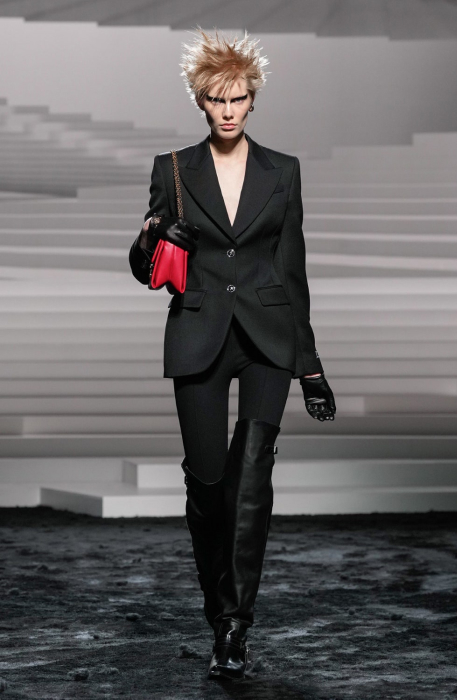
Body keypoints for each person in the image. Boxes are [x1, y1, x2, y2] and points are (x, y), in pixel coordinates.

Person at [129, 27, 336, 681]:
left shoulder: (283, 171)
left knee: (251, 479)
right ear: (200, 100)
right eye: (216, 99)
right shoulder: (172, 169)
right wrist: (155, 235)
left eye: (238, 98)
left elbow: (291, 270)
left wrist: (309, 364)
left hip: (268, 338)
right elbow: (145, 267)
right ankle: (217, 607)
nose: (227, 110)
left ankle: (235, 626)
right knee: (208, 485)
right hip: (198, 334)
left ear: (252, 99)